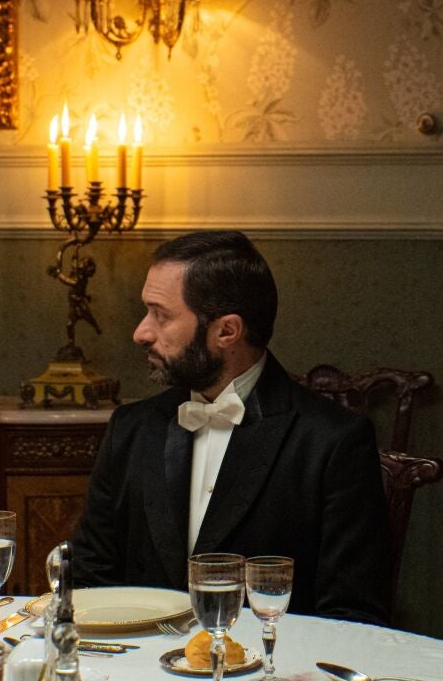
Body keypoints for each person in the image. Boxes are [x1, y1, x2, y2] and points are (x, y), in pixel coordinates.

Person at [73, 231, 391, 624]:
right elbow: (88, 582)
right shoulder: (132, 428)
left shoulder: (332, 441)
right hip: (141, 657)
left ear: (227, 331)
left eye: (161, 315)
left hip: (273, 662)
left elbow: (353, 617)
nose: (141, 332)